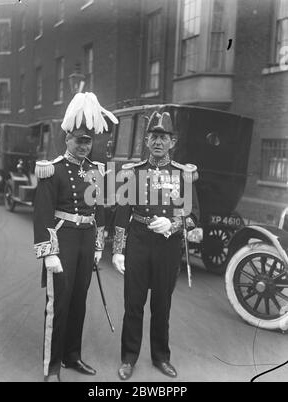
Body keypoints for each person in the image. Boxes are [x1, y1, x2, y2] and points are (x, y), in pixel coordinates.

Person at [33, 92, 118, 382]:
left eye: (88, 141)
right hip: (63, 239)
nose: (83, 145)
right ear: (66, 137)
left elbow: (101, 211)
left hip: (85, 239)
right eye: (79, 139)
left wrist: (98, 246)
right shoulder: (52, 170)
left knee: (79, 301)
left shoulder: (97, 171)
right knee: (58, 304)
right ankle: (52, 365)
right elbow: (43, 215)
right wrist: (49, 253)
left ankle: (72, 355)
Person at [112, 111, 200, 381]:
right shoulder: (132, 173)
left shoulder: (183, 175)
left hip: (167, 246)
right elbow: (120, 213)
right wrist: (117, 250)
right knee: (133, 304)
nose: (159, 142)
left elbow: (194, 214)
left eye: (164, 137)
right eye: (154, 137)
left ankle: (161, 357)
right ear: (146, 141)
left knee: (162, 305)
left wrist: (173, 224)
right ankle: (128, 358)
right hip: (138, 241)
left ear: (172, 142)